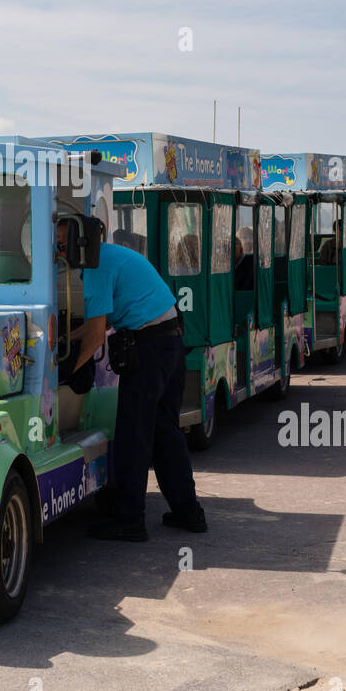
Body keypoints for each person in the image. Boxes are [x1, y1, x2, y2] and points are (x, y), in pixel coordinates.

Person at [57, 219, 205, 541]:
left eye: (60, 246)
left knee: (133, 433)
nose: (57, 254)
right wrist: (69, 338)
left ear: (78, 245)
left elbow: (96, 337)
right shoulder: (111, 256)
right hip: (170, 339)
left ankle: (130, 520)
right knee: (165, 431)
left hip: (150, 346)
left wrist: (62, 372)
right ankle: (188, 512)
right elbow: (103, 322)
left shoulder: (95, 267)